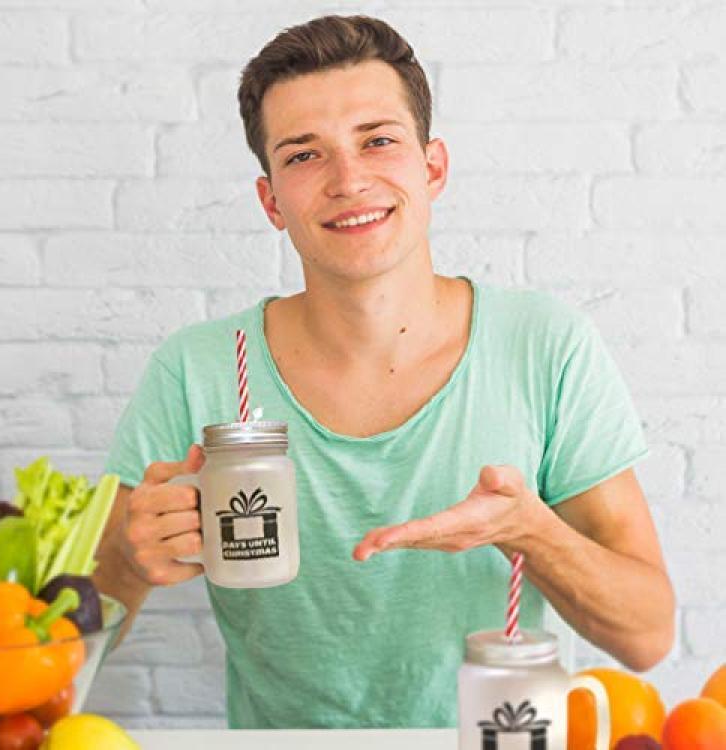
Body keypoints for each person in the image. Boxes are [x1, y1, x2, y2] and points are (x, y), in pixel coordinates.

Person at [93, 14, 675, 729]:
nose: (349, 180)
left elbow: (648, 636)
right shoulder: (198, 369)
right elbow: (73, 644)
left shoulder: (544, 346)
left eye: (378, 141)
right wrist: (127, 561)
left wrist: (531, 531)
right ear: (271, 201)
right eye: (305, 155)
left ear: (433, 168)